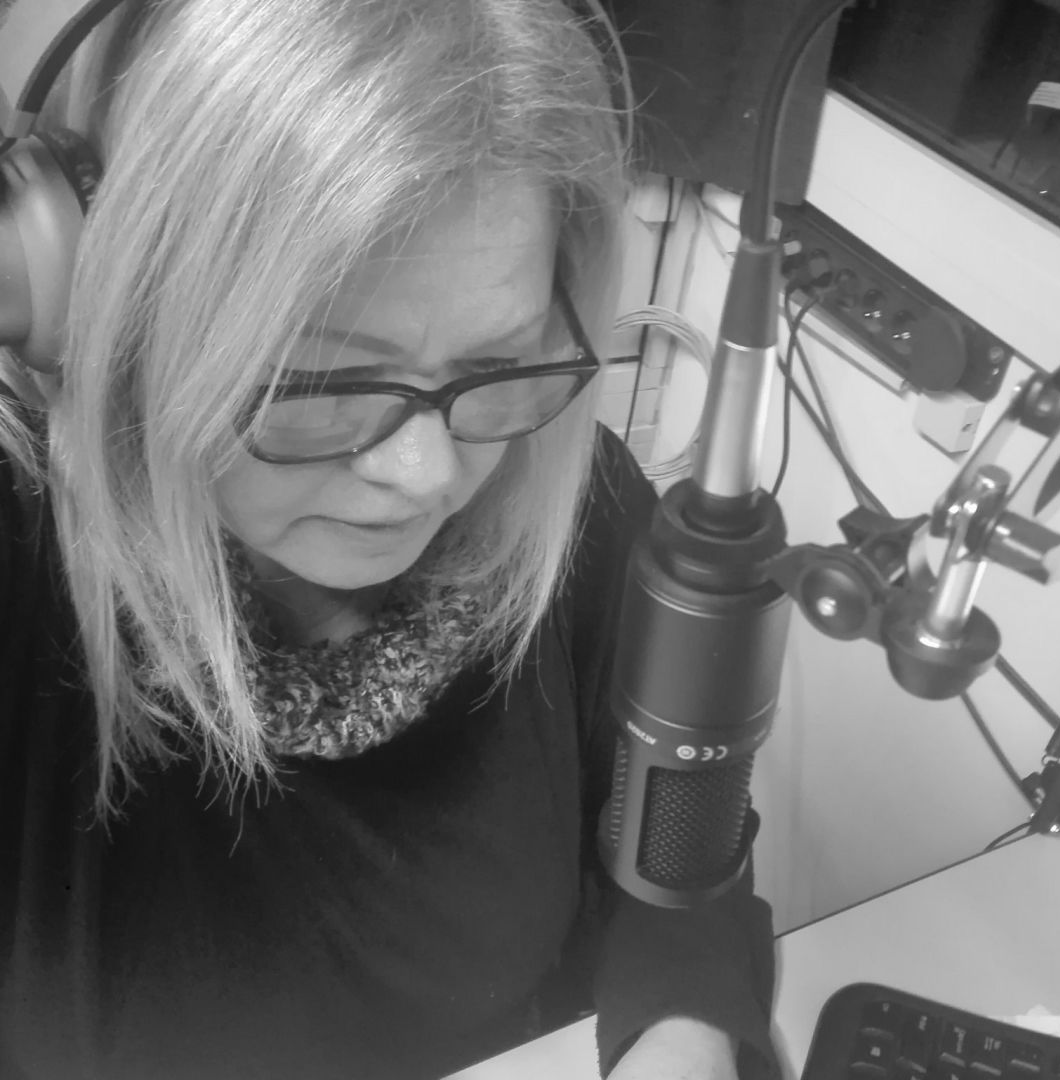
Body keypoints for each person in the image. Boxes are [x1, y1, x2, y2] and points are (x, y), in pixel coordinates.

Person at [0, 1, 777, 1077]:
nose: (427, 474)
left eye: (495, 364)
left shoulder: (582, 501)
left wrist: (684, 1033)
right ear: (108, 318)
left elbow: (678, 869)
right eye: (319, 382)